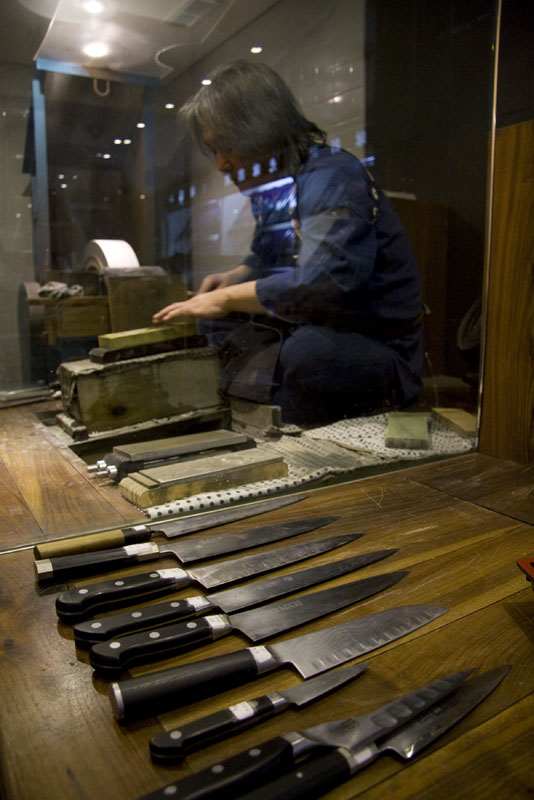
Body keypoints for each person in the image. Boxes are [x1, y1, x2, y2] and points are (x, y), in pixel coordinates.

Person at [153, 59, 424, 426]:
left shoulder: (331, 175)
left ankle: (275, 424)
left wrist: (228, 297)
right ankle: (250, 412)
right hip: (320, 327)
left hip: (376, 346)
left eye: (225, 147)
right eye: (213, 151)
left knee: (305, 355)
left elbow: (326, 282)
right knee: (212, 324)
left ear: (257, 128)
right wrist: (234, 277)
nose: (220, 164)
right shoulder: (276, 188)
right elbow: (264, 257)